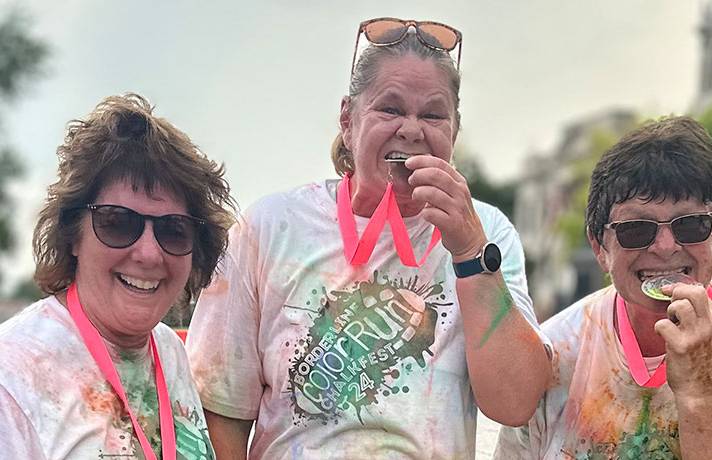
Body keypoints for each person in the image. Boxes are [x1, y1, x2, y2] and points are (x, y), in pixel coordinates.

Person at [185, 18, 551, 459]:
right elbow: (219, 410)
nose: (412, 130)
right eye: (390, 109)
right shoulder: (270, 226)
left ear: (453, 132)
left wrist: (471, 254)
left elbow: (515, 403)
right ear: (348, 119)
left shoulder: (489, 232)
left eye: (433, 114)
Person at [0, 93, 236, 460]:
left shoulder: (168, 352)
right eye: (117, 223)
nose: (150, 253)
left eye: (175, 230)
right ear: (73, 236)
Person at [495, 117, 712, 459]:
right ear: (599, 248)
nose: (665, 247)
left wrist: (699, 391)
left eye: (691, 225)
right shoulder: (555, 349)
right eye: (637, 229)